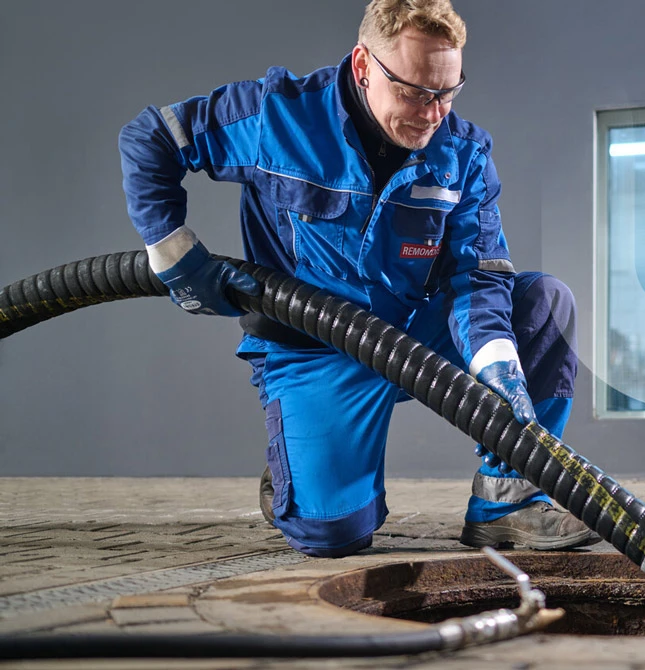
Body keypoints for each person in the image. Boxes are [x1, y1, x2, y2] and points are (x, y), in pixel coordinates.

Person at [118, 0, 597, 557]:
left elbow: (479, 272)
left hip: (414, 335)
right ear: (364, 65)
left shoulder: (462, 152)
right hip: (312, 348)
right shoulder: (280, 118)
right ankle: (297, 468)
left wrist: (498, 365)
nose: (432, 112)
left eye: (447, 92)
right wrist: (174, 252)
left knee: (542, 302)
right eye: (415, 92)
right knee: (333, 535)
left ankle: (507, 504)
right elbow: (152, 136)